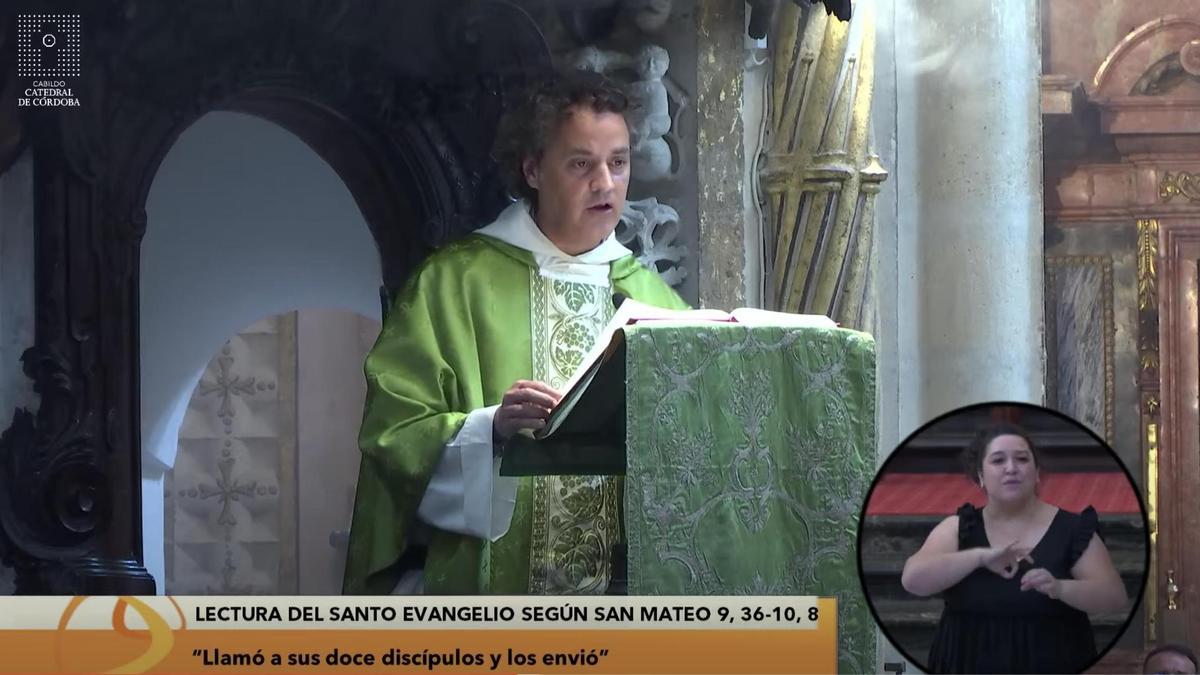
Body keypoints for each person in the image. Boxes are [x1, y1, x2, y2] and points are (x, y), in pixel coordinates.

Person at [341, 70, 689, 595]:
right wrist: (491, 429)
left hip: (622, 597)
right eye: (581, 164)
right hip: (493, 594)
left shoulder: (653, 299)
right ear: (531, 168)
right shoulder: (453, 283)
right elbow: (393, 438)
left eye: (618, 163)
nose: (605, 183)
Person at [900, 423, 1128, 673]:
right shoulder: (959, 527)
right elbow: (913, 581)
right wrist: (979, 557)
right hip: (966, 660)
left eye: (1022, 459)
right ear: (980, 476)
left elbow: (1114, 596)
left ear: (1037, 472)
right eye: (998, 461)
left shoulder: (1073, 528)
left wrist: (1060, 588)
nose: (1011, 468)